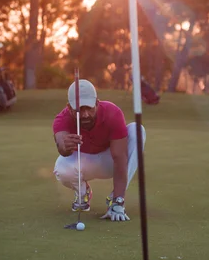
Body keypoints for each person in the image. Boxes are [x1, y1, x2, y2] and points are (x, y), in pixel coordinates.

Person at [52, 79, 146, 222]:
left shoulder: (113, 113)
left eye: (89, 108)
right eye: (79, 109)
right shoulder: (61, 119)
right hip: (83, 163)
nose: (85, 115)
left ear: (97, 103)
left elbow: (120, 158)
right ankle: (83, 193)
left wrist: (119, 200)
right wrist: (64, 147)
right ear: (69, 107)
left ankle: (116, 201)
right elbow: (62, 147)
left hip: (110, 161)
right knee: (61, 167)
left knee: (137, 130)